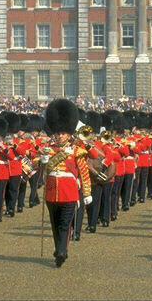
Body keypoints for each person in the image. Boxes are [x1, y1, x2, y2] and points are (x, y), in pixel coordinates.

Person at [43, 99, 92, 267]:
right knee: (55, 225)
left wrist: (87, 193)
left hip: (69, 192)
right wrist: (41, 160)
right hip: (52, 192)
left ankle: (62, 251)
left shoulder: (77, 151)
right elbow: (37, 165)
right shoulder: (47, 150)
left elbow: (84, 171)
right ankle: (59, 248)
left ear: (69, 134)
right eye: (57, 133)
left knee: (65, 224)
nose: (59, 135)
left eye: (62, 133)